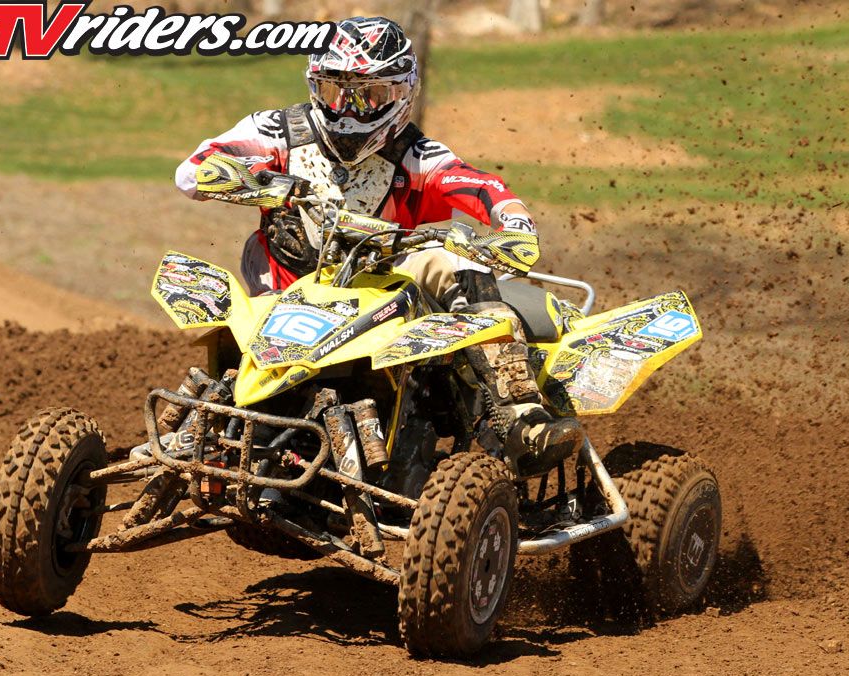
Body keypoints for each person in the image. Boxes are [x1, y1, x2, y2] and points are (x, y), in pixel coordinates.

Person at [175, 16, 581, 476]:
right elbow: (190, 172)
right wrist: (260, 181)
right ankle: (197, 430)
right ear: (315, 86)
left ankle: (519, 415)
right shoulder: (277, 131)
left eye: (370, 95)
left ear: (402, 92)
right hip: (283, 294)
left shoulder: (419, 155)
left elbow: (483, 188)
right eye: (336, 92)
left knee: (453, 260)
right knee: (219, 317)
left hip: (378, 296)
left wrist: (515, 223)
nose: (348, 112)